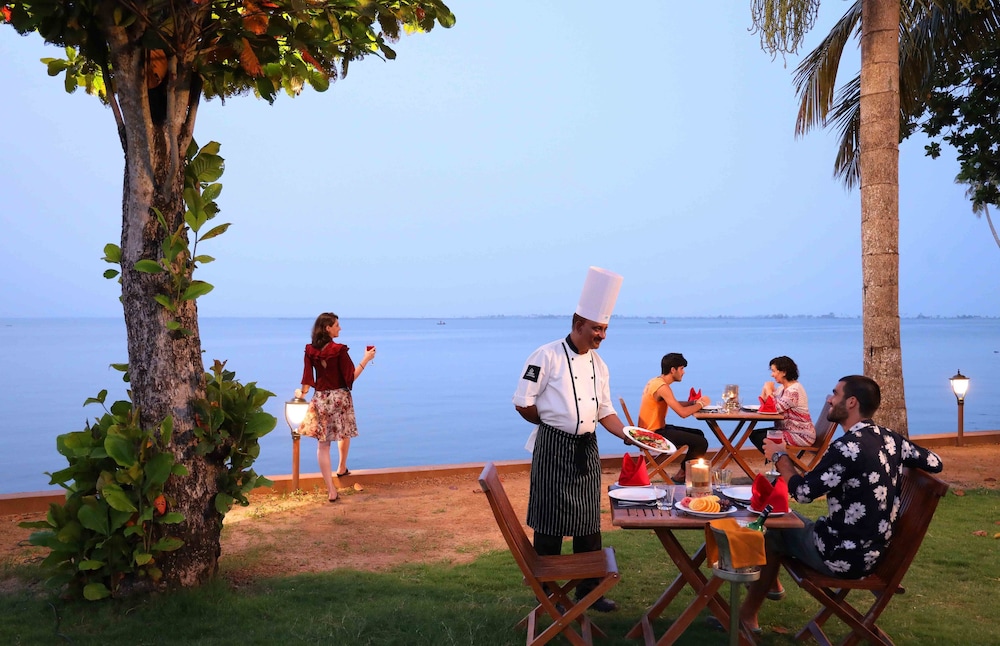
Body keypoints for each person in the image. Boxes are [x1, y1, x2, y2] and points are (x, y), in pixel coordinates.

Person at [739, 375, 943, 635]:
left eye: (835, 394)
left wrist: (780, 456)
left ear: (851, 402)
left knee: (774, 528)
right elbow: (935, 462)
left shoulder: (847, 448)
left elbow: (803, 492)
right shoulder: (889, 439)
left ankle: (748, 614)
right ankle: (768, 587)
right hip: (873, 551)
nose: (829, 399)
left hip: (841, 555)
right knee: (784, 520)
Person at [513, 267, 631, 613]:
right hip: (553, 447)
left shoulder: (600, 365)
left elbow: (605, 411)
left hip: (587, 448)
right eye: (596, 328)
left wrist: (629, 435)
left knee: (588, 521)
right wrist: (552, 423)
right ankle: (548, 594)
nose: (602, 335)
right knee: (549, 523)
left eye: (605, 329)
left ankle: (589, 591)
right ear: (578, 323)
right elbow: (523, 402)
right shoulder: (545, 356)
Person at [296, 312, 376, 503]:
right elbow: (350, 378)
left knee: (323, 445)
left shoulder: (310, 350)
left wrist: (302, 394)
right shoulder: (339, 350)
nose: (340, 328)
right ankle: (341, 466)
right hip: (339, 398)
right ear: (328, 328)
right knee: (344, 431)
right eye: (337, 325)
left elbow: (307, 379)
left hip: (321, 399)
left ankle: (331, 490)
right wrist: (366, 359)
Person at [636, 353, 711, 484]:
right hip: (652, 435)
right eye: (681, 368)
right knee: (701, 442)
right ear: (673, 370)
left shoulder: (655, 382)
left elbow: (674, 403)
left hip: (649, 430)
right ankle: (682, 475)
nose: (683, 372)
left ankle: (683, 473)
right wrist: (701, 404)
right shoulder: (662, 387)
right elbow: (682, 413)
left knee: (699, 434)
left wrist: (693, 403)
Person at [748, 355, 816, 452]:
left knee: (761, 437)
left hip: (800, 435)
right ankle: (777, 458)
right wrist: (765, 389)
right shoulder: (782, 388)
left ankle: (779, 458)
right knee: (754, 434)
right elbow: (766, 407)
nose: (772, 375)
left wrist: (769, 390)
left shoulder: (794, 391)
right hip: (787, 430)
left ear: (784, 372)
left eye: (774, 371)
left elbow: (774, 409)